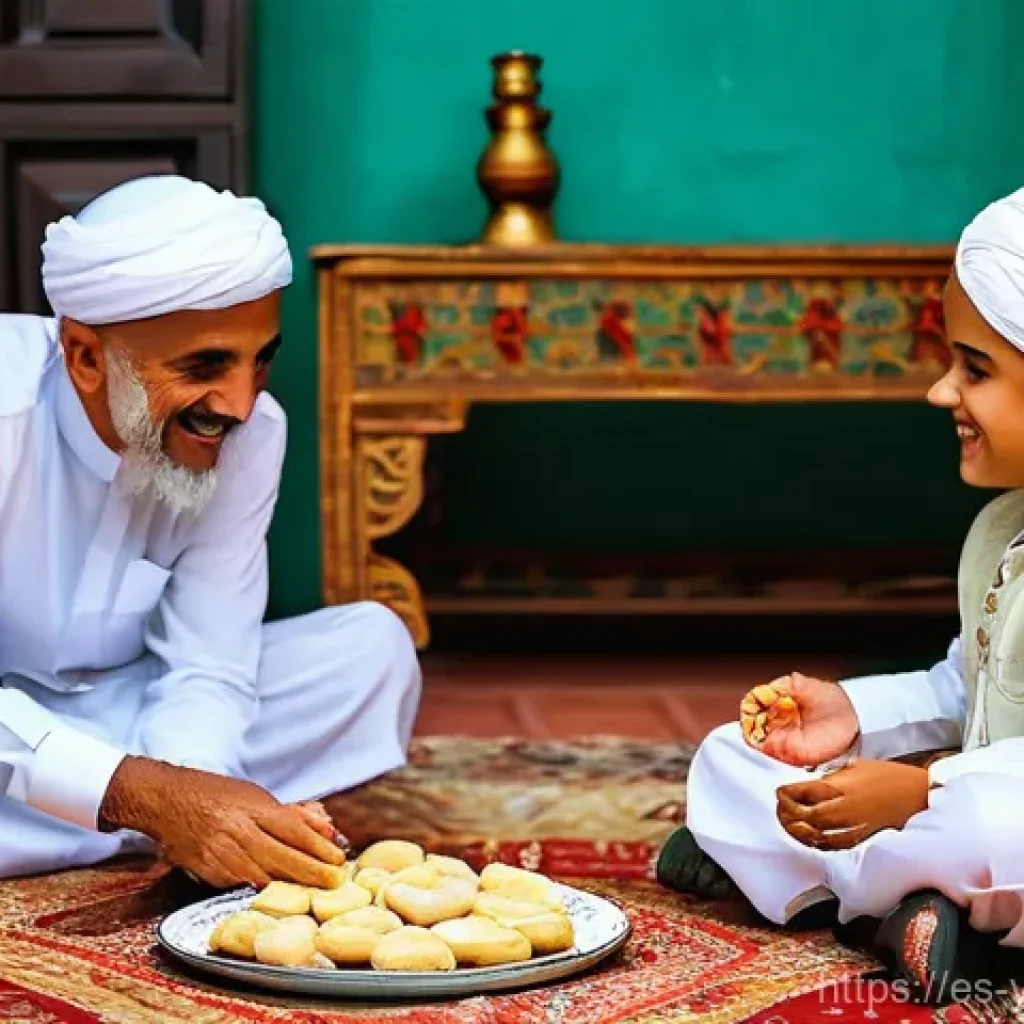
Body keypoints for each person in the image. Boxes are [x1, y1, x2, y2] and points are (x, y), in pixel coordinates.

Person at [0, 175, 421, 889]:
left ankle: (85, 832)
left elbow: (210, 663)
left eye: (261, 359)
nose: (240, 402)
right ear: (86, 358)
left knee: (370, 653)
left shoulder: (253, 434)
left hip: (122, 710)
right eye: (205, 367)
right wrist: (147, 797)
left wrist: (198, 800)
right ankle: (105, 823)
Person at [657, 184, 1024, 1005]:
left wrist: (925, 791)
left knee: (989, 828)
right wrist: (852, 716)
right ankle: (916, 907)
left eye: (975, 370)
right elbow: (959, 687)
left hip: (998, 824)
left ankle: (850, 895)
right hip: (959, 810)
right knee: (734, 754)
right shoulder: (1003, 534)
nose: (941, 392)